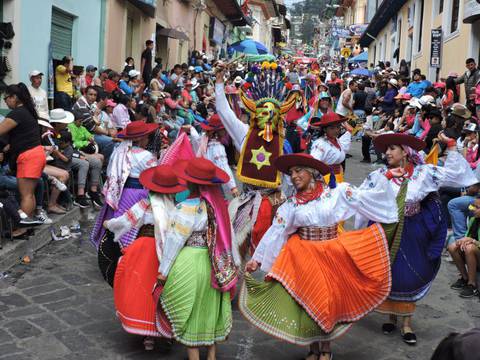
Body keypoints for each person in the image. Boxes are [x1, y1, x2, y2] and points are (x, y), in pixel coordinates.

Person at [242, 153, 398, 360]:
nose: (293, 176)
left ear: (312, 173)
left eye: (298, 171)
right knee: (309, 300)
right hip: (304, 257)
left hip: (332, 253)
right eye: (290, 173)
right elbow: (277, 231)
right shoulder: (290, 206)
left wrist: (386, 176)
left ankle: (326, 349)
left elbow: (365, 196)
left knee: (327, 301)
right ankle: (313, 349)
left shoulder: (336, 193)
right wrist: (258, 259)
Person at [364, 133, 478, 345]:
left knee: (410, 275)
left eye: (393, 149)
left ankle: (407, 323)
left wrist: (452, 147)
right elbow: (364, 199)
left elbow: (456, 176)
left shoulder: (424, 174)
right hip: (387, 230)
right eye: (386, 149)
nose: (387, 153)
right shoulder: (379, 175)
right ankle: (391, 317)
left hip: (414, 231)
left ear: (405, 153)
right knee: (390, 274)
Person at [156, 158, 238, 360]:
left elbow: (174, 241)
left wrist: (164, 271)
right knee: (208, 308)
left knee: (189, 311)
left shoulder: (184, 208)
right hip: (213, 264)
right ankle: (211, 356)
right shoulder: (218, 208)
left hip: (190, 261)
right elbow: (228, 238)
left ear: (189, 182)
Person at [105, 164, 187, 350]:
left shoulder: (145, 205)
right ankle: (166, 331)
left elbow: (126, 221)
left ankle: (146, 336)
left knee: (141, 289)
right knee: (166, 291)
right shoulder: (177, 208)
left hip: (143, 250)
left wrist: (109, 224)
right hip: (166, 253)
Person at [90, 121, 158, 250]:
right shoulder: (146, 156)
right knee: (133, 226)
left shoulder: (118, 152)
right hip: (137, 194)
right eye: (147, 136)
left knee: (114, 224)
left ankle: (112, 255)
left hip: (118, 194)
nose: (148, 139)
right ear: (141, 138)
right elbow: (155, 176)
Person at [0, 83, 46, 224]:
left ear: (14, 97)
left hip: (29, 157)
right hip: (36, 154)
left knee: (25, 195)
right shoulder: (27, 111)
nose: (6, 102)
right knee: (29, 194)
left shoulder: (17, 113)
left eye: (6, 98)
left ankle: (21, 226)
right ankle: (27, 225)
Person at [188, 114, 238, 197]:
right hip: (213, 180)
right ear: (218, 131)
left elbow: (196, 139)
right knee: (218, 201)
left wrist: (191, 129)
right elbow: (223, 166)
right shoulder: (217, 146)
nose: (226, 131)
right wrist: (233, 187)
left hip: (202, 178)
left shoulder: (205, 138)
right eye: (224, 129)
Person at [447, 203, 480, 298]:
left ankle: (472, 285)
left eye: (476, 207)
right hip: (475, 253)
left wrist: (472, 241)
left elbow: (472, 241)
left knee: (470, 248)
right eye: (473, 206)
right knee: (453, 247)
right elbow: (468, 236)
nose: (473, 209)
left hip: (475, 252)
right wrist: (463, 240)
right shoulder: (473, 219)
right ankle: (465, 278)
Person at [309, 112, 352, 184]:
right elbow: (314, 163)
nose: (336, 130)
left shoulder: (337, 140)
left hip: (338, 177)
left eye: (338, 127)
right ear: (325, 129)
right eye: (332, 128)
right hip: (325, 180)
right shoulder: (320, 144)